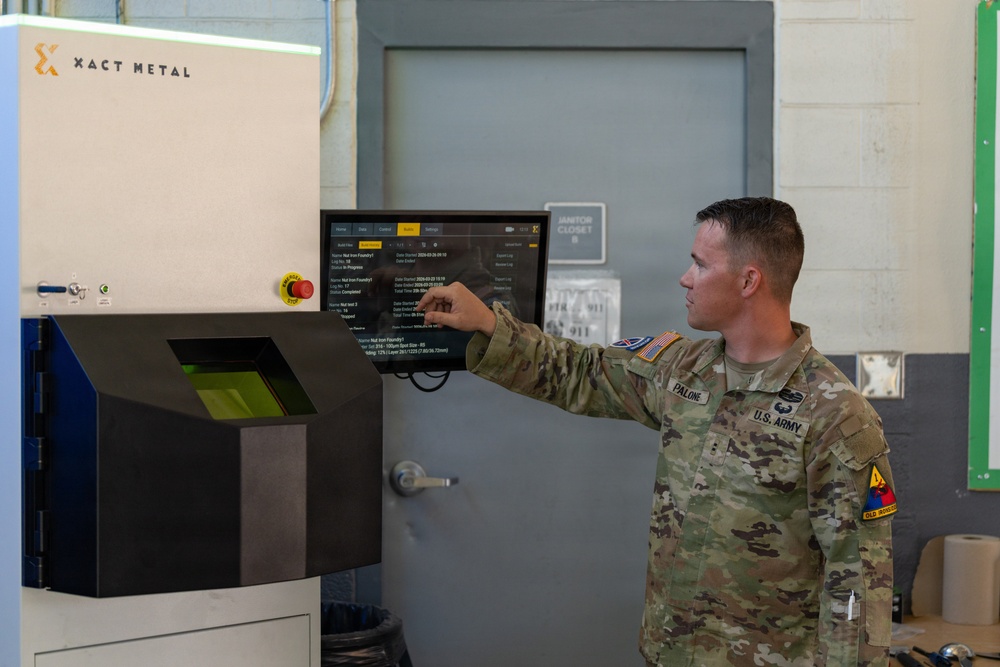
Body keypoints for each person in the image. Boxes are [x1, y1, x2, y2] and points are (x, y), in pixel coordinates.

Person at [416, 197, 896, 667]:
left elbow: (857, 579)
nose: (685, 278)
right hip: (671, 650)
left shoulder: (835, 414)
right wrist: (484, 321)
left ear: (749, 280)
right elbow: (579, 371)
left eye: (700, 265)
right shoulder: (682, 370)